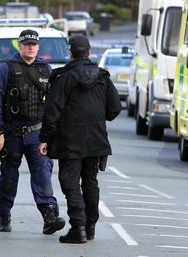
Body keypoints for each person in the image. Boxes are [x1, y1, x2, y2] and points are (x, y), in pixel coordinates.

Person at [39, 35, 121, 244]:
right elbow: (114, 109)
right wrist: (95, 118)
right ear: (90, 53)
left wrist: (44, 139)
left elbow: (52, 111)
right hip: (96, 139)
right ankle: (90, 227)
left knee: (70, 183)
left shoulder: (63, 77)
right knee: (90, 182)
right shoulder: (103, 77)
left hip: (70, 140)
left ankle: (79, 228)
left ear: (71, 54)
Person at [0, 29, 66, 234]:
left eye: (34, 44)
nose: (31, 47)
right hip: (11, 133)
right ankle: (4, 215)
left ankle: (50, 216)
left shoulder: (46, 69)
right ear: (19, 46)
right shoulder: (6, 68)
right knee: (8, 177)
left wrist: (52, 135)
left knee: (43, 174)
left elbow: (54, 105)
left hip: (37, 133)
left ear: (38, 47)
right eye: (27, 44)